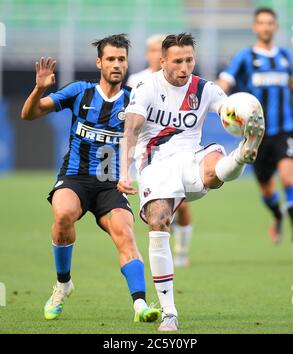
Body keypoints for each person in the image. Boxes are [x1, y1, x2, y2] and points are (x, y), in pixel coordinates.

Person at [117, 33, 265, 331]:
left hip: (189, 157)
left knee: (213, 168)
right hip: (155, 163)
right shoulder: (146, 86)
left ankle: (243, 153)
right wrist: (123, 172)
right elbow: (131, 130)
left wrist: (241, 114)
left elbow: (227, 111)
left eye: (189, 60)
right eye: (178, 61)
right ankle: (169, 311)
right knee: (158, 223)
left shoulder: (204, 89)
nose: (185, 67)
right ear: (163, 62)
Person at [21, 34, 160, 323]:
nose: (116, 64)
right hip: (75, 178)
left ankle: (140, 306)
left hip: (111, 185)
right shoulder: (79, 92)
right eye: (111, 59)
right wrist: (38, 89)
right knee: (62, 216)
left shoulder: (134, 100)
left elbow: (146, 143)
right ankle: (63, 285)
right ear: (99, 62)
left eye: (121, 59)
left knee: (126, 234)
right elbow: (28, 115)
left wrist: (132, 176)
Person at [216, 7, 293, 264]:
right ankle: (277, 216)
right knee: (267, 189)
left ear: (275, 27)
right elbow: (226, 81)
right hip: (256, 135)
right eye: (261, 23)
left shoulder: (285, 56)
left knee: (288, 178)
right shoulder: (244, 56)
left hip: (285, 129)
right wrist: (217, 96)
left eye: (270, 23)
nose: (265, 27)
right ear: (255, 27)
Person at [127, 34, 193, 268]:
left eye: (160, 50)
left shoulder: (182, 82)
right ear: (149, 55)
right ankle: (163, 245)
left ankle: (182, 252)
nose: (157, 55)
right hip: (147, 154)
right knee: (157, 210)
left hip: (174, 151)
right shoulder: (137, 80)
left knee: (182, 205)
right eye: (153, 50)